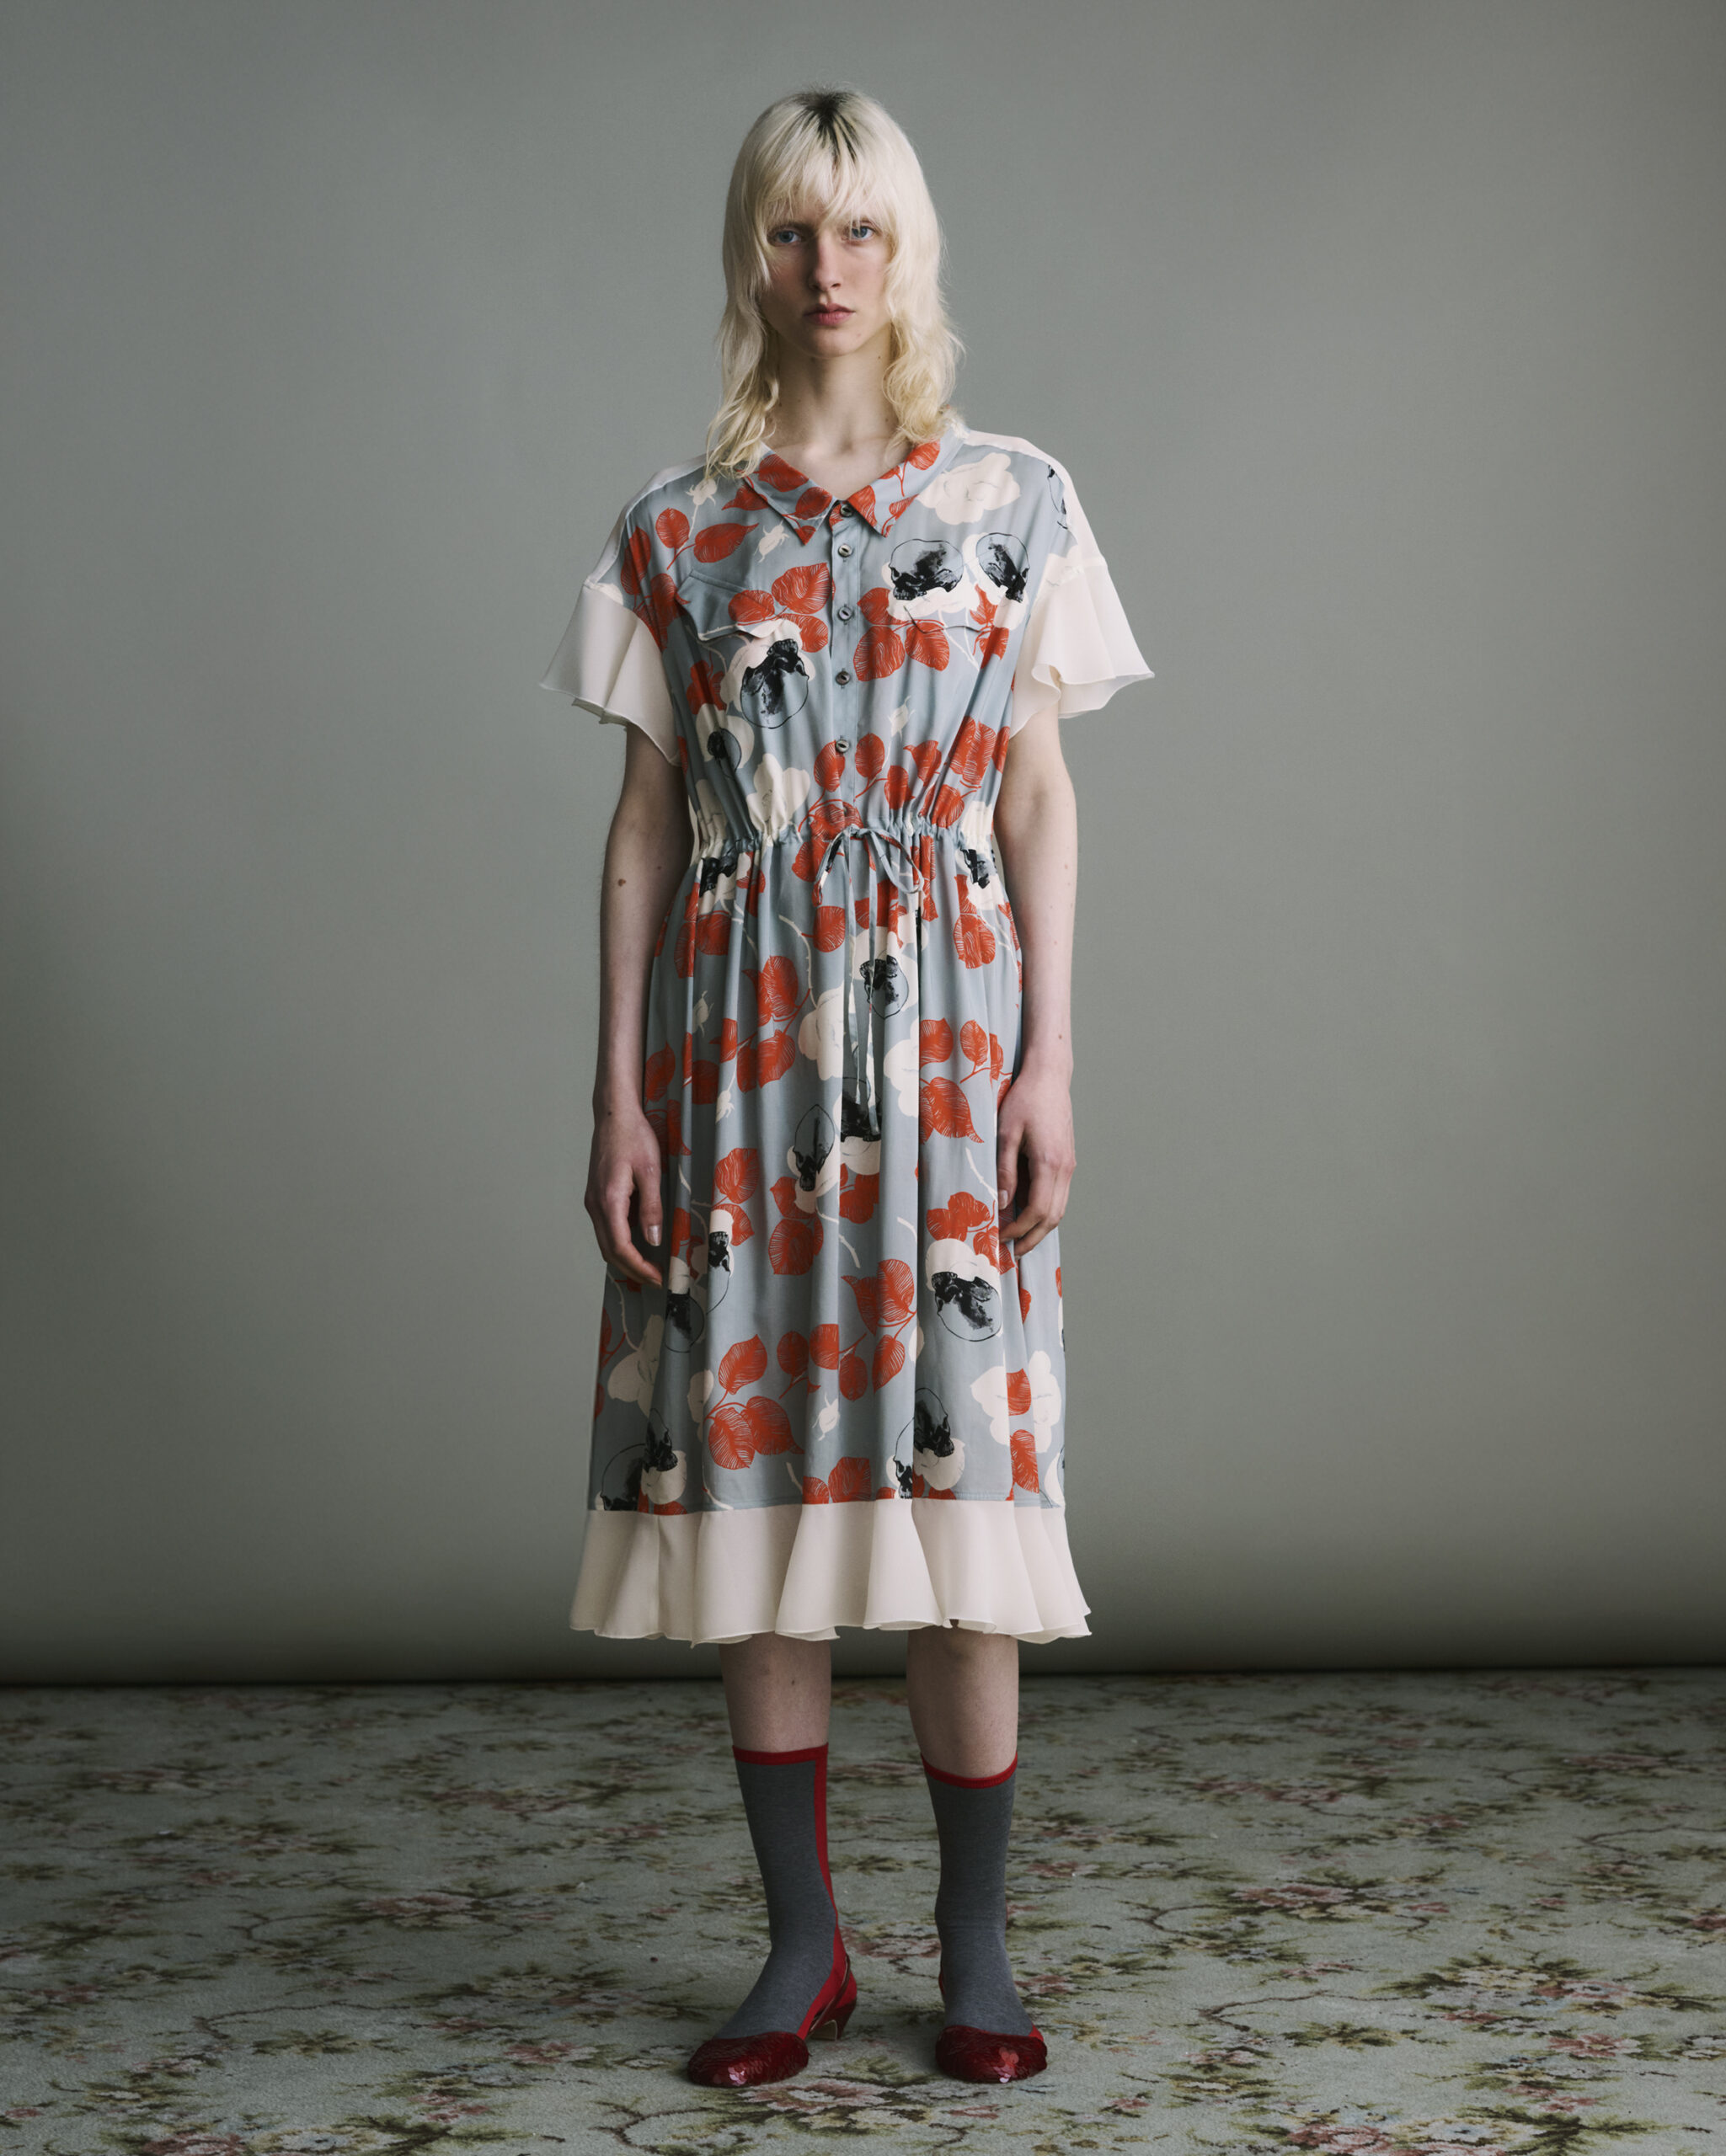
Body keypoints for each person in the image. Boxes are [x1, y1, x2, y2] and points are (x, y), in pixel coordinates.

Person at [541, 84, 1151, 2091]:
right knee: (760, 1494)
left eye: (861, 229)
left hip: (952, 1047)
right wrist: (617, 1097)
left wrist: (1051, 1058)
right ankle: (799, 1946)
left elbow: (1037, 798)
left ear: (909, 249)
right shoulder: (677, 526)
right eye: (794, 232)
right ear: (753, 253)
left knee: (957, 1495)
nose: (829, 269)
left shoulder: (1013, 501)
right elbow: (643, 826)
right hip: (733, 1060)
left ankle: (973, 1945)